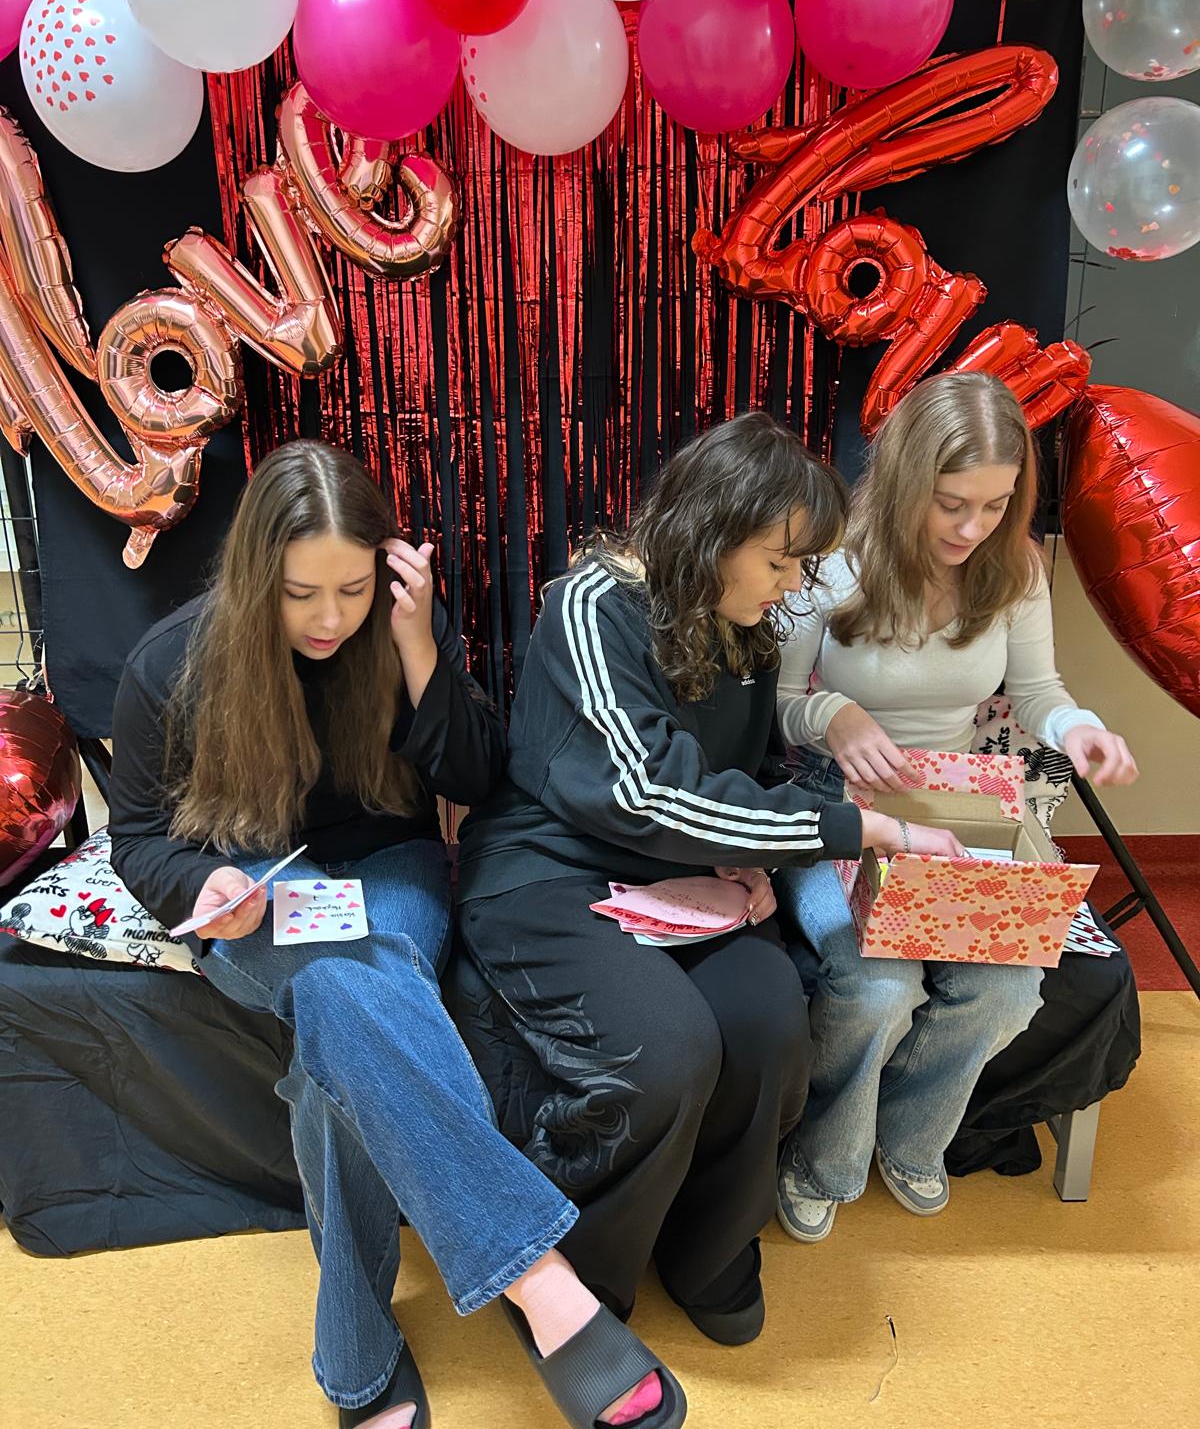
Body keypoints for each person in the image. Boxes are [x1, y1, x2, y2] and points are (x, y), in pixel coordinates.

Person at [107, 441, 687, 1429]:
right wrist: (205, 880)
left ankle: (358, 1362)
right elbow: (137, 839)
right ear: (253, 577)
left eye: (353, 589)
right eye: (299, 594)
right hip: (258, 887)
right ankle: (542, 1282)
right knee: (340, 984)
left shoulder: (400, 620)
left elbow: (477, 778)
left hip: (390, 868)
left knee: (338, 1012)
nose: (330, 619)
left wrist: (418, 647)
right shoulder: (171, 663)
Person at [454, 413, 960, 1344]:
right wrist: (855, 829)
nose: (794, 584)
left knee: (769, 1026)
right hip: (553, 869)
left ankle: (710, 1245)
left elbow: (741, 771)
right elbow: (644, 789)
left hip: (690, 871)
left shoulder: (746, 626)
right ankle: (580, 1282)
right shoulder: (593, 603)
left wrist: (752, 853)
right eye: (780, 561)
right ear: (712, 532)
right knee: (667, 1051)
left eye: (801, 565)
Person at [773, 372, 1138, 1243]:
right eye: (951, 505)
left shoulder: (1014, 570)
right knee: (876, 985)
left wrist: (1079, 728)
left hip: (951, 803)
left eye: (995, 506)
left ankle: (912, 1138)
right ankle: (823, 1158)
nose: (972, 529)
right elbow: (779, 705)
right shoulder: (831, 562)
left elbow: (1040, 691)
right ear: (907, 481)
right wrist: (834, 713)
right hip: (835, 804)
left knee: (1009, 986)